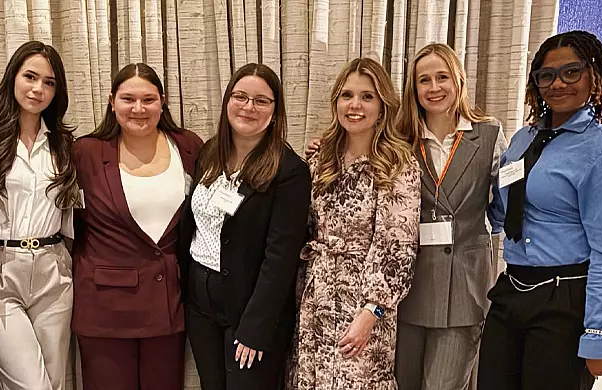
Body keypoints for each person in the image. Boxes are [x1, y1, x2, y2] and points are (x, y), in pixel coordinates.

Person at [479, 30, 602, 390]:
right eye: (546, 75)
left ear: (595, 75)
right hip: (511, 288)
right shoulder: (522, 140)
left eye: (571, 72)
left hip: (564, 298)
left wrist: (597, 331)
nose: (558, 84)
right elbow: (500, 210)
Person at [177, 63, 311, 390]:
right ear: (227, 102)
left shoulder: (289, 171)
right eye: (240, 96)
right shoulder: (209, 153)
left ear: (275, 112)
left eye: (261, 100)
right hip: (201, 305)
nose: (248, 107)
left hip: (250, 310)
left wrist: (256, 328)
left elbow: (280, 258)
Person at [292, 57, 421, 390]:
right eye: (347, 95)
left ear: (382, 106)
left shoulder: (398, 163)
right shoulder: (319, 159)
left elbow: (398, 245)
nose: (355, 105)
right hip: (315, 294)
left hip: (365, 303)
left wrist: (371, 313)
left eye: (367, 96)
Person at [71, 63, 202, 390]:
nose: (139, 109)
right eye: (128, 99)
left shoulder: (189, 147)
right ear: (112, 101)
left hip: (169, 305)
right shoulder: (86, 152)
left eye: (148, 99)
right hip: (104, 310)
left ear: (163, 101)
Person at [392, 43, 507, 390]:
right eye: (424, 80)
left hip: (465, 289)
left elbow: (501, 209)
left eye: (442, 77)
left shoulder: (488, 134)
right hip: (407, 288)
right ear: (413, 89)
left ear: (459, 81)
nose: (434, 87)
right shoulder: (399, 138)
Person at [0, 40, 77, 390]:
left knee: (56, 381)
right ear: (12, 77)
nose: (38, 89)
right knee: (32, 386)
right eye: (30, 76)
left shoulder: (62, 143)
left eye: (49, 82)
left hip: (53, 268)